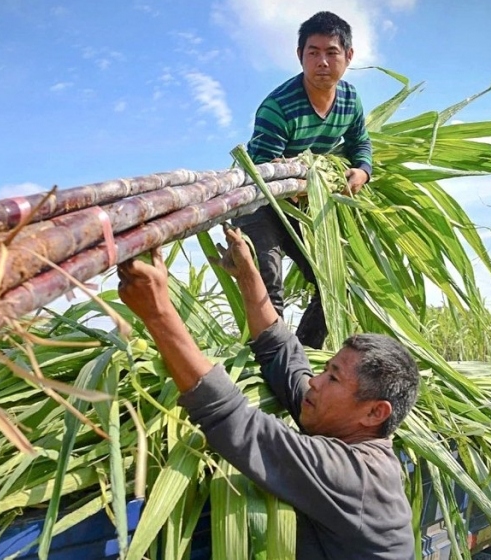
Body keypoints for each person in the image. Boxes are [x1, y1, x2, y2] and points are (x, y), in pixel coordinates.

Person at [117, 225, 419, 559]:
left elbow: (237, 424)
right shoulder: (346, 432)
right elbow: (283, 357)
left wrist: (158, 313)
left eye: (333, 379)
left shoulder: (356, 476)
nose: (315, 382)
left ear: (375, 412)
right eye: (325, 369)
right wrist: (247, 271)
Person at [232, 11, 373, 349]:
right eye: (313, 53)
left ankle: (304, 357)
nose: (322, 61)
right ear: (300, 56)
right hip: (260, 203)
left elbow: (360, 143)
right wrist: (302, 182)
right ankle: (269, 369)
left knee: (333, 282)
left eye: (331, 52)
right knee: (268, 288)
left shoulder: (350, 101)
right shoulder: (278, 106)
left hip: (303, 206)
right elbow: (266, 169)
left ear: (348, 56)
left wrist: (362, 170)